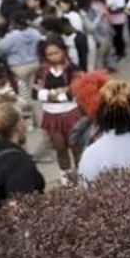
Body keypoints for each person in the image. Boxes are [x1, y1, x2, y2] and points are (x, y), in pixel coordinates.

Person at [33, 37, 83, 186]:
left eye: (56, 52)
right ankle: (66, 178)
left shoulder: (73, 68)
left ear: (63, 51)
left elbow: (73, 93)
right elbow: (35, 94)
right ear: (44, 56)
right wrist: (56, 93)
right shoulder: (42, 71)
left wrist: (49, 94)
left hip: (72, 114)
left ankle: (82, 176)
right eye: (50, 54)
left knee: (76, 148)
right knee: (60, 148)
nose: (54, 56)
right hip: (51, 115)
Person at [0, 11, 41, 98]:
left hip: (18, 66)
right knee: (30, 90)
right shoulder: (35, 32)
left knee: (21, 92)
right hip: (34, 63)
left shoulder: (13, 36)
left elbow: (1, 48)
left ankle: (25, 109)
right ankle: (31, 107)